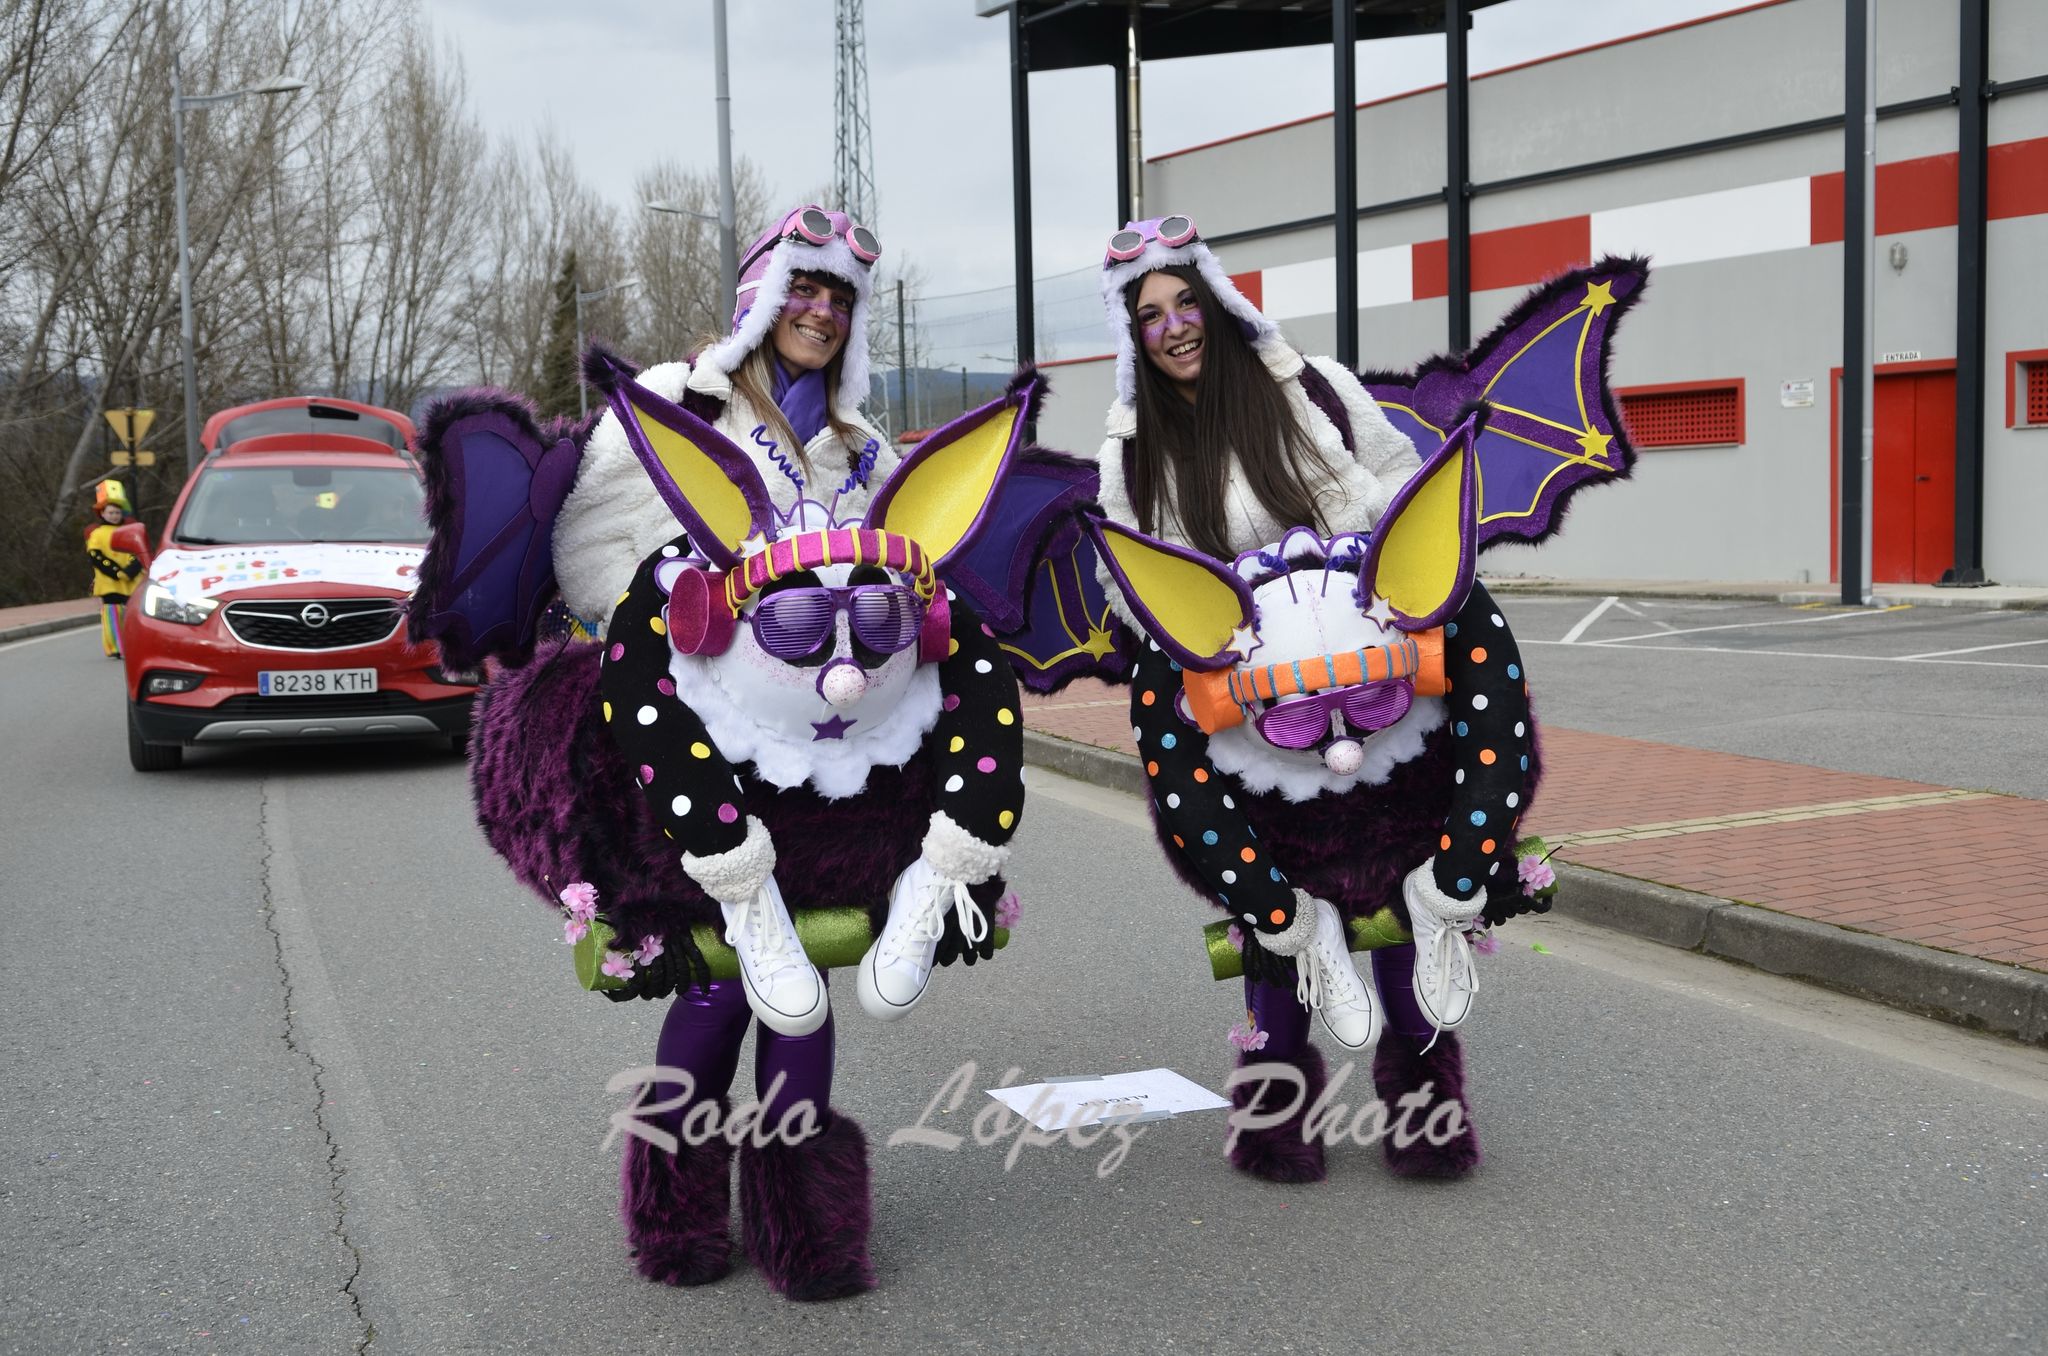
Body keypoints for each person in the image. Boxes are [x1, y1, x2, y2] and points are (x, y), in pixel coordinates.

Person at [435, 205, 1025, 1299]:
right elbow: (601, 573)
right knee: (715, 992)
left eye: (838, 299)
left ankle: (806, 1230)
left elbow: (901, 594)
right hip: (691, 755)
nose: (820, 311)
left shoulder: (862, 451)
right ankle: (675, 1214)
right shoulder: (673, 406)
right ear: (762, 296)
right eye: (803, 289)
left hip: (833, 762)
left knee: (799, 980)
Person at [1085, 215, 1534, 1181]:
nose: (1173, 327)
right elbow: (1140, 601)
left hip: (1387, 708)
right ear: (1134, 338)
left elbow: (1403, 491)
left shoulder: (1315, 390)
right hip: (1260, 728)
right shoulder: (1130, 456)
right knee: (1276, 936)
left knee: (1404, 925)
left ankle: (1426, 1119)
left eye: (1184, 301)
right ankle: (1273, 1118)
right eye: (1149, 315)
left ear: (1217, 299)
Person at [85, 480, 142, 657]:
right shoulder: (97, 534)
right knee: (113, 614)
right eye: (110, 512)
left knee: (132, 613)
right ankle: (116, 647)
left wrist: (130, 570)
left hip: (132, 581)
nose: (114, 515)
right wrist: (117, 572)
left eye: (117, 512)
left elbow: (138, 553)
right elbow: (97, 557)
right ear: (102, 513)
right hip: (109, 582)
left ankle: (133, 645)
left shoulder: (130, 531)